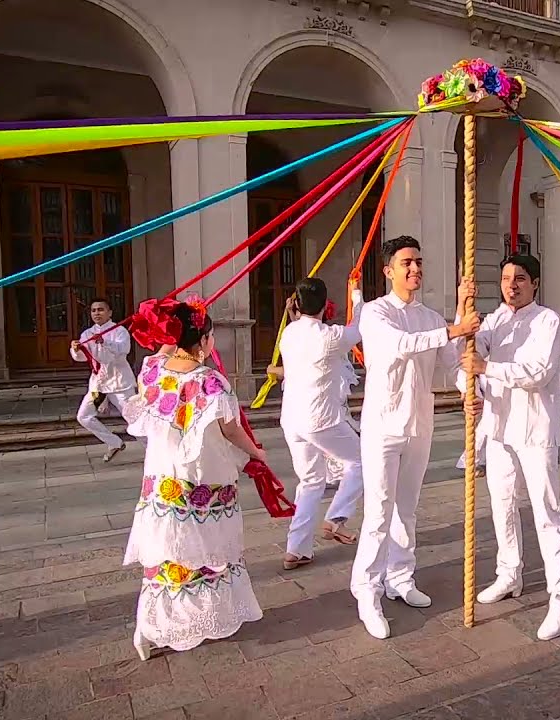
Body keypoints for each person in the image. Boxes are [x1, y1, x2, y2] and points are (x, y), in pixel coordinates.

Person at [121, 298, 267, 659]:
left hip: (163, 480)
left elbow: (163, 351)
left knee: (169, 553)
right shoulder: (210, 382)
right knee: (206, 550)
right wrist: (256, 452)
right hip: (202, 478)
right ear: (203, 340)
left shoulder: (154, 371)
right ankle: (197, 619)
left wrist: (172, 324)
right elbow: (231, 430)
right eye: (210, 335)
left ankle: (150, 625)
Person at [351, 235, 479, 639]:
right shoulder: (375, 313)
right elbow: (400, 346)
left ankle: (401, 577)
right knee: (378, 513)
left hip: (419, 424)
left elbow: (450, 362)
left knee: (407, 509)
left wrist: (468, 390)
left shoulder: (430, 317)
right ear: (388, 270)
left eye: (418, 262)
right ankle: (367, 591)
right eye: (406, 263)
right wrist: (455, 327)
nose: (414, 269)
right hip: (383, 426)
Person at [460, 254, 560, 641]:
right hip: (498, 427)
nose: (512, 285)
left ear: (535, 283)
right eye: (506, 278)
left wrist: (487, 369)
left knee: (546, 511)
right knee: (502, 504)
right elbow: (468, 356)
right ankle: (509, 572)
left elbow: (538, 372)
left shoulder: (548, 321)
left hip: (535, 429)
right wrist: (471, 389)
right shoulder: (494, 320)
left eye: (520, 278)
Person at [274, 277, 366, 570]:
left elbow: (300, 327)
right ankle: (336, 518)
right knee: (362, 461)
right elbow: (359, 327)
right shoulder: (331, 336)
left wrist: (293, 312)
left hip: (292, 419)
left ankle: (296, 549)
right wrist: (356, 295)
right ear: (325, 305)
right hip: (320, 419)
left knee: (311, 481)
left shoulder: (289, 333)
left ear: (297, 304)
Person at [70, 299, 137, 463]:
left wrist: (104, 342)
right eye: (93, 310)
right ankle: (114, 442)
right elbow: (82, 357)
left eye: (100, 309)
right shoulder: (87, 334)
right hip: (99, 385)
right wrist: (75, 349)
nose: (96, 313)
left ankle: (153, 450)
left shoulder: (119, 331)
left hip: (120, 383)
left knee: (134, 419)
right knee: (84, 416)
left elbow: (124, 350)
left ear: (109, 312)